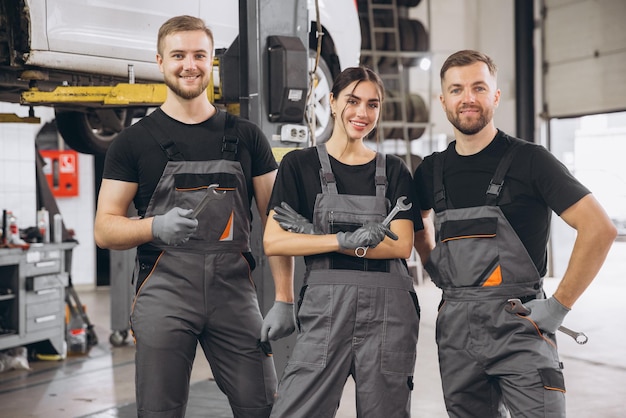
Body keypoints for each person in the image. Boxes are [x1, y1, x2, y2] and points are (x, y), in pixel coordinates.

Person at [94, 15, 295, 418]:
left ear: (212, 61)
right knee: (159, 410)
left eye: (199, 55)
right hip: (164, 292)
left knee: (263, 405)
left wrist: (285, 299)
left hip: (235, 294)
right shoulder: (133, 142)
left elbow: (278, 221)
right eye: (179, 55)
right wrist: (154, 226)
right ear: (160, 61)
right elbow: (104, 228)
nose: (190, 64)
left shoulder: (247, 136)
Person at [412, 49, 617, 417]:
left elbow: (598, 228)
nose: (468, 98)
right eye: (457, 90)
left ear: (495, 95)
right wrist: (434, 266)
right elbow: (417, 222)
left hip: (520, 324)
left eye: (478, 87)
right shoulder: (430, 171)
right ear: (443, 100)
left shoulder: (531, 161)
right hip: (456, 329)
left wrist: (558, 306)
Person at [263, 66, 422, 417]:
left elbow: (401, 246)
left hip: (388, 317)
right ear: (332, 102)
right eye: (352, 101)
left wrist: (311, 235)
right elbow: (274, 240)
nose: (362, 113)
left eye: (372, 104)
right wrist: (342, 239)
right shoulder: (298, 165)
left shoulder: (394, 170)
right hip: (325, 311)